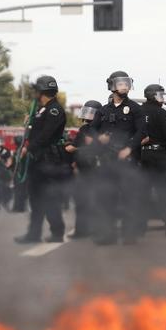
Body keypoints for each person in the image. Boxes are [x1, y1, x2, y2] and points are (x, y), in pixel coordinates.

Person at [14, 75, 70, 244]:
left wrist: (28, 147)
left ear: (42, 91)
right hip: (38, 161)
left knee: (49, 198)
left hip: (49, 161)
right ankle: (34, 233)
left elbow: (46, 135)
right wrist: (29, 124)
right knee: (36, 199)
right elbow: (36, 133)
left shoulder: (54, 110)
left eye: (36, 90)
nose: (35, 93)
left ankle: (57, 231)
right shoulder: (41, 110)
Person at [93, 70, 144, 245]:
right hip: (107, 161)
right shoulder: (103, 110)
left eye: (126, 82)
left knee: (129, 199)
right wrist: (99, 138)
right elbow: (93, 130)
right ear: (112, 85)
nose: (125, 86)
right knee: (106, 199)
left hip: (127, 162)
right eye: (120, 83)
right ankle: (108, 234)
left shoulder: (135, 109)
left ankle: (129, 235)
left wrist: (129, 148)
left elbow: (141, 132)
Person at [139, 84, 166, 236]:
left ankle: (139, 226)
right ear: (153, 96)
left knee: (141, 192)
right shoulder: (160, 113)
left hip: (141, 156)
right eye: (160, 95)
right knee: (164, 192)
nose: (162, 98)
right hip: (158, 156)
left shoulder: (138, 112)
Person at [64, 100, 102, 238]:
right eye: (87, 112)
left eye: (91, 113)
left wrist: (68, 146)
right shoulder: (103, 129)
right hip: (96, 170)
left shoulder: (85, 130)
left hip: (88, 172)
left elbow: (72, 147)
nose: (88, 116)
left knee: (82, 202)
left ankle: (82, 230)